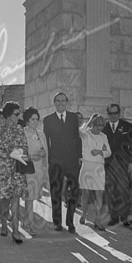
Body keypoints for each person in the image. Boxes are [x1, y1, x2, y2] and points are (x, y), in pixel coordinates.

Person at [0, 101, 28, 244]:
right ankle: (4, 221)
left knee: (16, 199)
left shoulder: (20, 129)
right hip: (3, 168)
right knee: (3, 200)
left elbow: (24, 147)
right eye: (16, 114)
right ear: (8, 115)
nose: (19, 116)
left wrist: (19, 152)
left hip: (16, 168)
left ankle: (16, 231)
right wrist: (13, 152)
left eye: (19, 113)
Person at [43, 92, 82, 233]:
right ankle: (57, 222)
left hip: (72, 160)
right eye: (58, 101)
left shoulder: (73, 117)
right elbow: (46, 140)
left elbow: (77, 137)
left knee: (74, 192)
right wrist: (48, 159)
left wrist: (79, 156)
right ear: (54, 103)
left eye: (63, 100)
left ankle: (70, 221)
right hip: (55, 161)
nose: (60, 103)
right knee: (56, 192)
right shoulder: (48, 120)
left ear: (66, 102)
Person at [103, 103, 132, 227]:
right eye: (110, 113)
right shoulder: (103, 127)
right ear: (107, 114)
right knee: (110, 191)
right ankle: (114, 217)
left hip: (123, 164)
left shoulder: (127, 126)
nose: (113, 116)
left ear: (119, 113)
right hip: (108, 164)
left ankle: (124, 217)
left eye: (115, 113)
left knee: (123, 191)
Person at [78, 114, 111, 230]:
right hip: (87, 165)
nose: (99, 128)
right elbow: (78, 130)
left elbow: (108, 152)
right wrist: (88, 123)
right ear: (92, 124)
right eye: (97, 125)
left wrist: (100, 152)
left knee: (99, 193)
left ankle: (98, 219)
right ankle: (83, 214)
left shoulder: (103, 136)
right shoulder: (85, 134)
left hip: (99, 167)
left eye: (101, 126)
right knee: (85, 193)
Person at [22, 106, 50, 236]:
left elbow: (46, 152)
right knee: (29, 197)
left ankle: (25, 220)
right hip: (27, 169)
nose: (35, 122)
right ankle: (30, 224)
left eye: (37, 119)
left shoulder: (41, 134)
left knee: (32, 198)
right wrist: (32, 157)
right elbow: (19, 154)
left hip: (38, 170)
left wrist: (43, 155)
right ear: (27, 120)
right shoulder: (22, 134)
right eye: (32, 119)